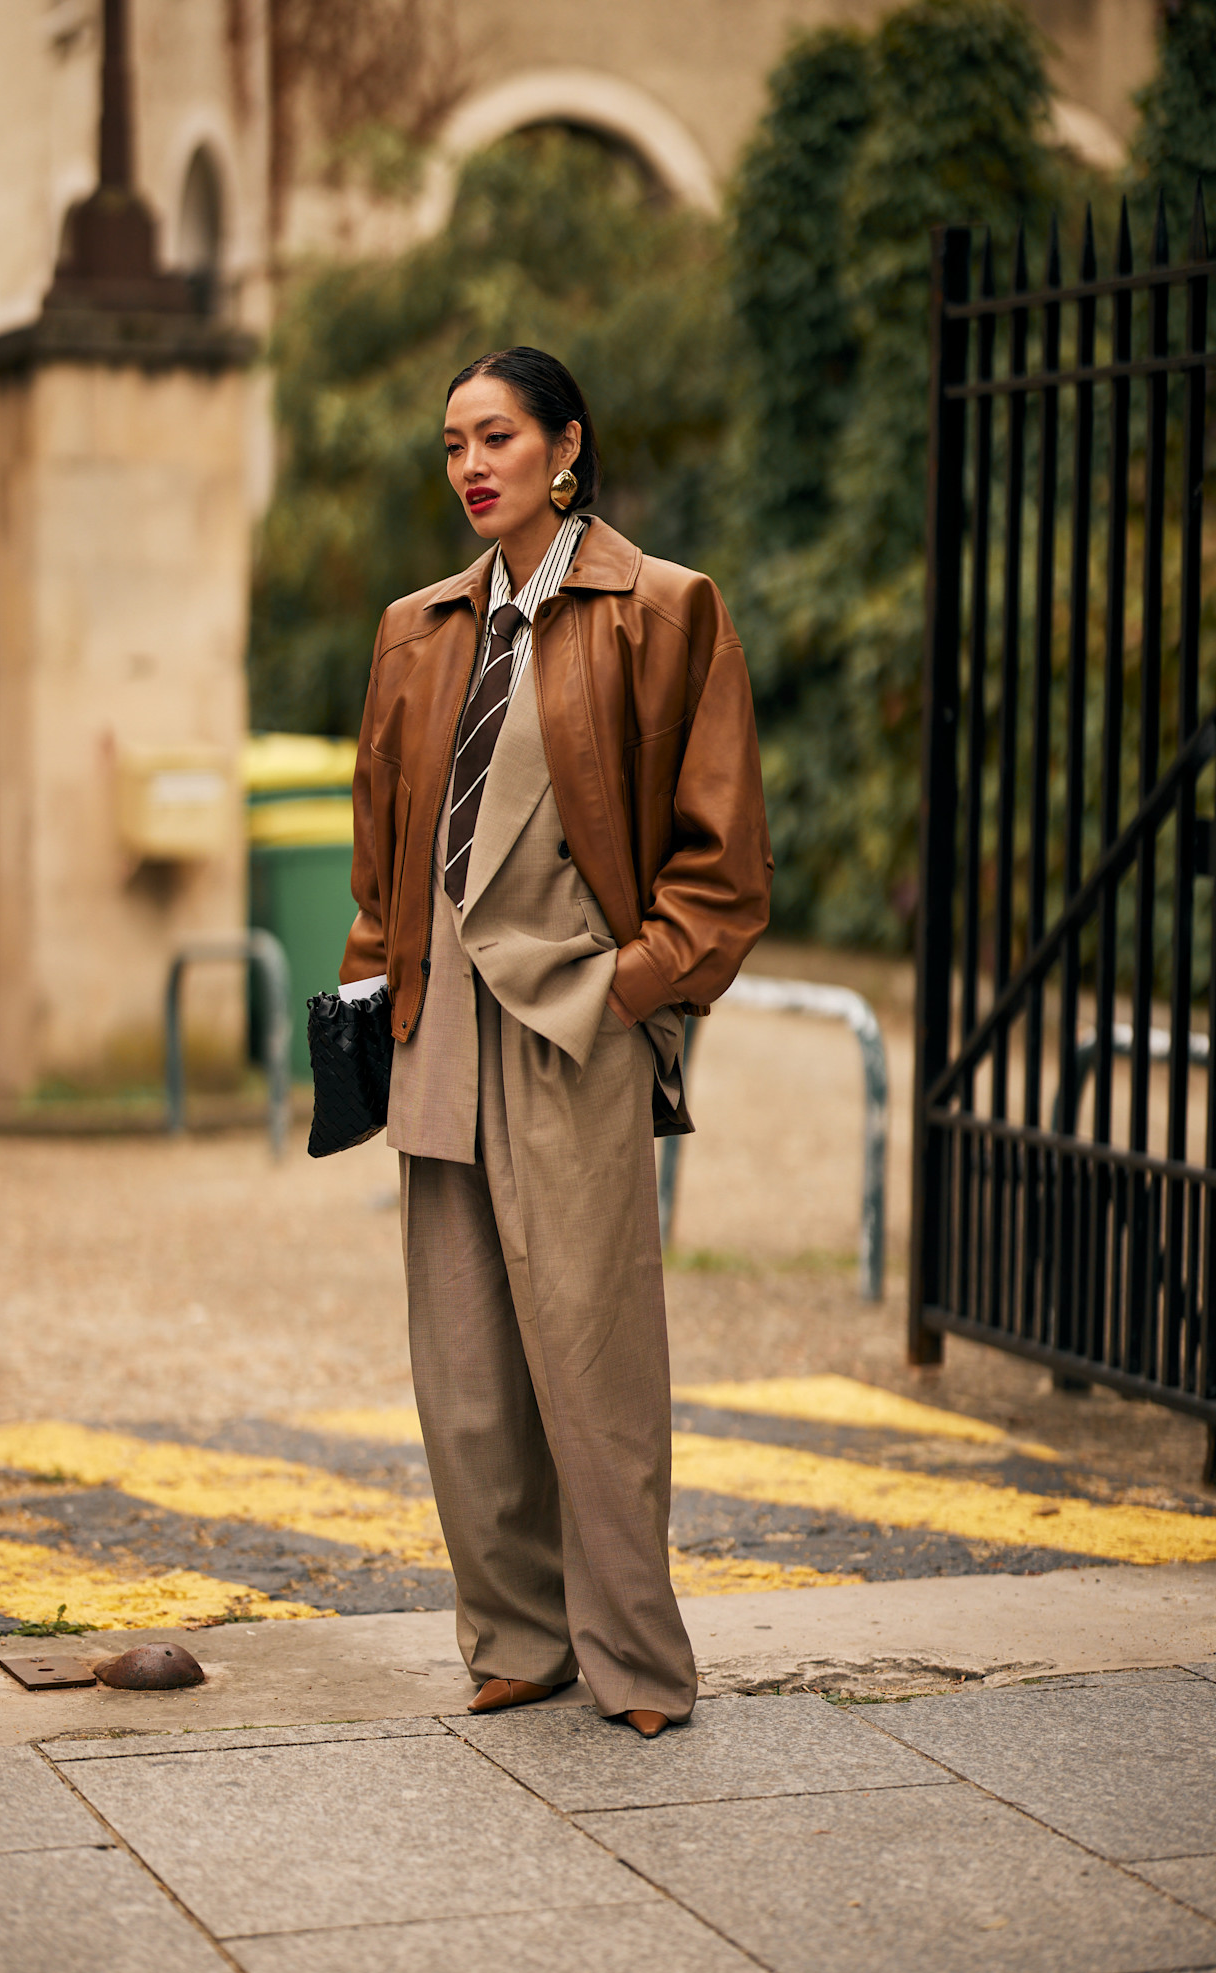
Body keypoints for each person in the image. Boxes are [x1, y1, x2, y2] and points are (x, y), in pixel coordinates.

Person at [339, 347, 772, 1736]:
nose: (470, 466)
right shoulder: (416, 628)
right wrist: (371, 1004)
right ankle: (517, 1635)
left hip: (575, 1024)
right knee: (463, 1375)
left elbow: (722, 864)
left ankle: (637, 1662)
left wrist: (635, 990)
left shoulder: (660, 609)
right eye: (453, 444)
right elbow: (379, 852)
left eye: (497, 438)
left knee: (593, 1366)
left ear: (563, 447)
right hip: (436, 1026)